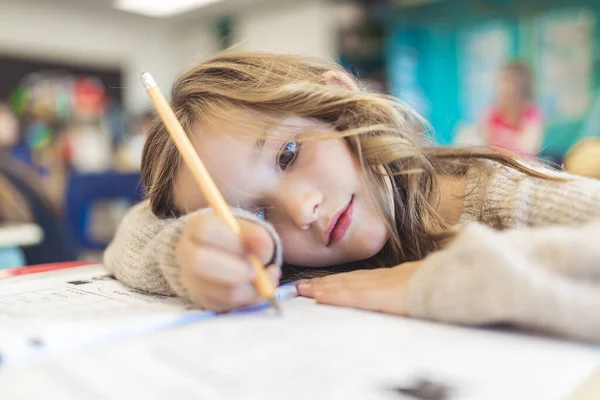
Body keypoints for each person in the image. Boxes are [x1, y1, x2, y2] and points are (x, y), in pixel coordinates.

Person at [105, 51, 600, 342]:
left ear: (340, 106)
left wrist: (441, 283)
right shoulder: (294, 259)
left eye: (288, 154)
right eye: (253, 212)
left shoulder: (496, 196)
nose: (301, 211)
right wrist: (183, 250)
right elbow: (134, 228)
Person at [483, 61, 544, 157]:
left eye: (507, 80)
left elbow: (528, 147)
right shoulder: (493, 112)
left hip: (522, 166)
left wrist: (500, 136)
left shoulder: (531, 112)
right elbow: (485, 142)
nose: (502, 86)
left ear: (522, 86)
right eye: (501, 80)